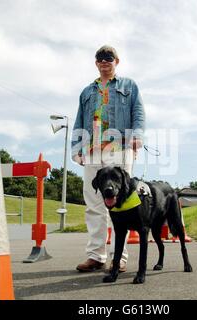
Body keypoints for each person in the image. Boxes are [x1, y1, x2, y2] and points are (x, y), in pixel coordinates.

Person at [71, 45, 145, 272]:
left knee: (121, 204)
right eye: (100, 58)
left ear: (116, 61)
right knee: (94, 204)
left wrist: (137, 136)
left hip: (120, 148)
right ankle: (96, 255)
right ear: (96, 63)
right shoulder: (86, 92)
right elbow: (79, 121)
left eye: (109, 57)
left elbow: (138, 113)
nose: (104, 61)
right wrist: (76, 148)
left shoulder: (129, 86)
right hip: (92, 150)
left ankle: (118, 258)